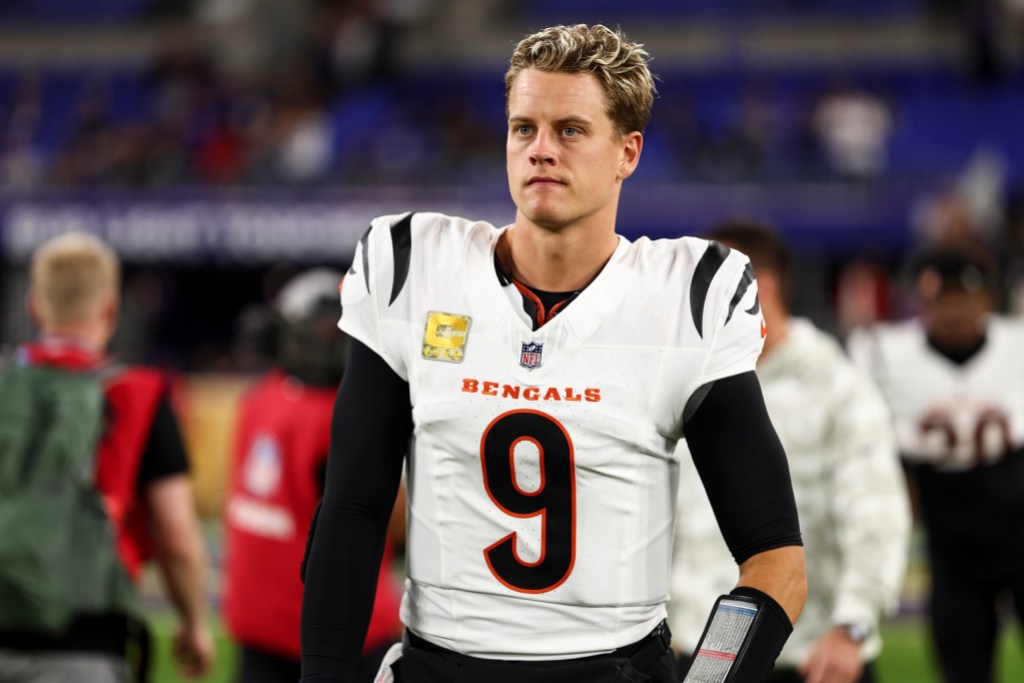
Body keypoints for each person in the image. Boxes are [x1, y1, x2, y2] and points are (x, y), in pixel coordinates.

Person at [300, 24, 807, 683]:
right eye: (523, 128)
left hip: (614, 667)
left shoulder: (686, 295)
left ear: (627, 152)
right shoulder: (414, 267)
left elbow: (775, 559)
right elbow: (352, 510)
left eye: (570, 130)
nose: (541, 150)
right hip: (439, 665)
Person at [670, 221, 911, 683]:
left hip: (807, 657)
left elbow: (876, 512)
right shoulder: (682, 379)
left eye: (705, 283)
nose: (690, 299)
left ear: (760, 284)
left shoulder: (834, 381)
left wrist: (853, 626)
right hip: (700, 656)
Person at [0, 231, 214, 681]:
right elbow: (175, 536)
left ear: (34, 305)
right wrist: (194, 623)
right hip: (85, 633)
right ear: (111, 308)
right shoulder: (141, 395)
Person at [847, 246, 1024, 683]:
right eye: (939, 299)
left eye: (962, 297)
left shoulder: (1015, 346)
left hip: (1019, 527)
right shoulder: (883, 355)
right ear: (920, 303)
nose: (952, 310)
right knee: (962, 670)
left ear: (987, 299)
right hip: (951, 548)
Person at [222, 268, 404, 683]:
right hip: (336, 629)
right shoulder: (336, 418)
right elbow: (392, 524)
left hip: (256, 622)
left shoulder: (259, 397)